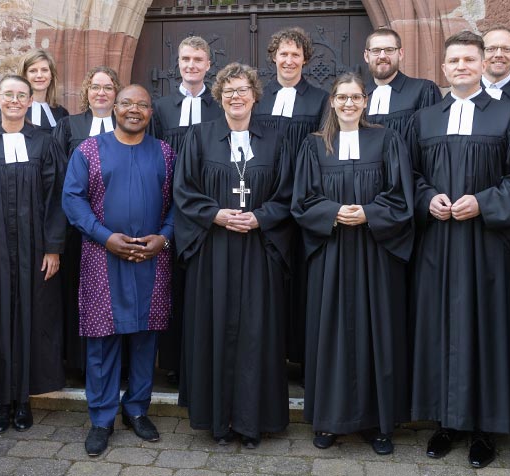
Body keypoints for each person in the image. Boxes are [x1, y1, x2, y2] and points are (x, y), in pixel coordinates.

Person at [408, 31, 510, 469]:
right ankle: (446, 422)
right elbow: (408, 175)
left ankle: (485, 428)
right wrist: (427, 198)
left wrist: (483, 202)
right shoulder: (424, 120)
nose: (462, 66)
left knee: (487, 329)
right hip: (438, 245)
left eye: (469, 59)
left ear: (484, 64)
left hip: (488, 247)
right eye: (454, 61)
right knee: (440, 328)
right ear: (443, 70)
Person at [292, 72, 414, 456]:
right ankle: (329, 420)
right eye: (341, 97)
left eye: (355, 97)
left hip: (375, 254)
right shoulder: (314, 146)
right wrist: (333, 212)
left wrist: (369, 213)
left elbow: (401, 196)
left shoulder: (387, 139)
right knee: (329, 335)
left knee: (377, 331)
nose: (348, 103)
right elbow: (302, 200)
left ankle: (380, 423)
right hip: (330, 254)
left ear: (366, 101)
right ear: (332, 101)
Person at [175, 63, 295, 449]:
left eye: (243, 90)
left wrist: (261, 217)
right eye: (228, 91)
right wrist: (215, 214)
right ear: (219, 97)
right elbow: (184, 189)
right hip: (214, 250)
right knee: (215, 329)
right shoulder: (200, 136)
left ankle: (252, 422)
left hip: (260, 251)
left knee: (257, 334)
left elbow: (289, 193)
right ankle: (218, 421)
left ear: (255, 95)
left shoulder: (277, 139)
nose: (236, 97)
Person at [63, 85, 175, 458]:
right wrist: (105, 236)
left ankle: (137, 410)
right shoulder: (89, 150)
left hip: (151, 258)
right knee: (102, 340)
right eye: (126, 103)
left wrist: (165, 237)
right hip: (102, 256)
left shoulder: (165, 153)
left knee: (145, 337)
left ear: (150, 113)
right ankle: (101, 418)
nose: (134, 110)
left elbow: (179, 202)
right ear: (114, 107)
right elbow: (73, 200)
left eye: (142, 105)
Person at [0, 75, 68, 434]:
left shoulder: (46, 143)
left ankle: (23, 399)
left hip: (35, 250)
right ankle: (0, 401)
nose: (14, 100)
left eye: (21, 95)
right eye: (8, 94)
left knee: (31, 318)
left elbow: (57, 199)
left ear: (29, 100)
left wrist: (53, 247)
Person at [250, 26, 328, 370]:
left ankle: (304, 357)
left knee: (306, 277)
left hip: (306, 197)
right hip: (269, 199)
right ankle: (272, 355)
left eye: (296, 54)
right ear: (273, 58)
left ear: (305, 60)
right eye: (283, 53)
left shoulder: (321, 99)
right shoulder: (260, 99)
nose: (289, 59)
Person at [150, 35, 224, 386]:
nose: (191, 65)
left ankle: (204, 359)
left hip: (206, 205)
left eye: (198, 59)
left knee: (201, 283)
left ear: (209, 64)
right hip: (168, 205)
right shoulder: (162, 107)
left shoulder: (220, 105)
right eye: (185, 59)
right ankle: (175, 362)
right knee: (171, 283)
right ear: (177, 64)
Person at [53, 66, 122, 372]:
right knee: (80, 291)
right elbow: (57, 178)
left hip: (118, 226)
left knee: (116, 294)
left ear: (116, 93)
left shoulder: (128, 123)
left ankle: (119, 365)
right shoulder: (69, 126)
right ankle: (80, 364)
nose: (101, 93)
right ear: (87, 91)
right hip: (77, 227)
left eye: (108, 87)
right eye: (96, 87)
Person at [363, 28, 441, 141]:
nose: (382, 56)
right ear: (366, 56)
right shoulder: (358, 96)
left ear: (400, 53)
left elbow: (431, 143)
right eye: (376, 50)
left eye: (389, 50)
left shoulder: (423, 90)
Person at [17, 48, 69, 132]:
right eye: (33, 71)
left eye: (44, 70)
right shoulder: (14, 108)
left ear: (51, 75)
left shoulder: (62, 113)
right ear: (24, 75)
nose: (39, 75)